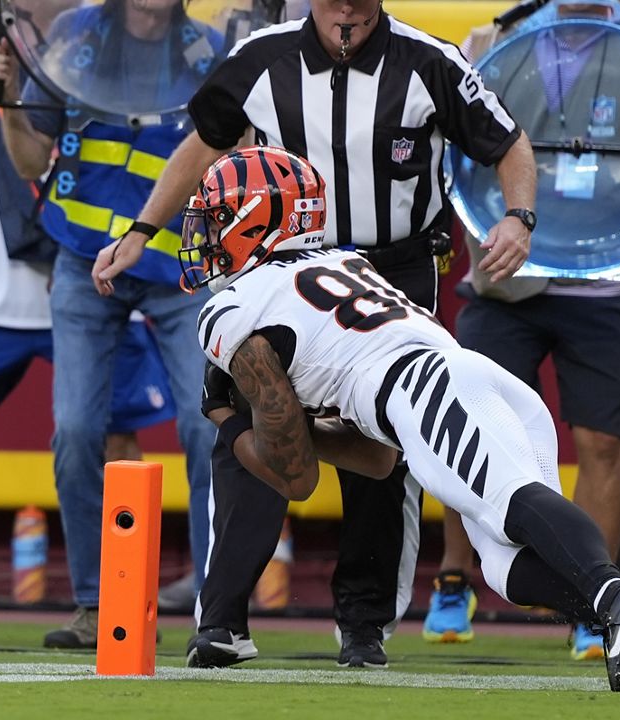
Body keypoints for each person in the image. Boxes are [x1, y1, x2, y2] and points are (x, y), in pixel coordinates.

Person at [91, 0, 538, 669]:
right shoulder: (261, 59)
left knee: (389, 438)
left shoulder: (429, 61)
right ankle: (223, 617)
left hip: (390, 274)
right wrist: (140, 230)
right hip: (277, 270)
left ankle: (363, 622)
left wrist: (519, 216)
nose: (347, 12)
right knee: (244, 424)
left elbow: (507, 142)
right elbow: (206, 144)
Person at [182, 145, 620, 691]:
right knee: (505, 566)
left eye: (218, 218)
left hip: (422, 387)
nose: (208, 235)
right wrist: (296, 423)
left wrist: (225, 418)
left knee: (510, 503)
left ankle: (614, 600)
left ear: (261, 220)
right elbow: (380, 458)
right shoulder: (343, 262)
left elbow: (295, 478)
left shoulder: (236, 308)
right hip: (453, 383)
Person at [424, 0, 620, 661]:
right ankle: (454, 578)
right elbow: (452, 144)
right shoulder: (492, 42)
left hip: (605, 277)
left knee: (601, 442)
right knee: (463, 429)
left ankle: (598, 606)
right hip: (505, 277)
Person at [0, 0, 223, 646]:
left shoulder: (211, 53)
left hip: (178, 269)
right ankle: (96, 606)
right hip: (82, 262)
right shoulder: (71, 37)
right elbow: (34, 163)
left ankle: (218, 608)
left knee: (208, 429)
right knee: (77, 431)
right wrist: (7, 100)